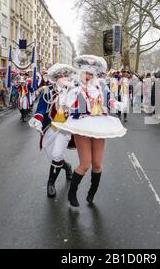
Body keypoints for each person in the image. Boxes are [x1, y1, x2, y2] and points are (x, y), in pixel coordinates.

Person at [52, 55, 127, 207]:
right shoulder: (74, 88)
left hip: (99, 124)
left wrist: (118, 104)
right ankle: (72, 193)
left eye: (91, 74)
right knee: (85, 164)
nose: (88, 76)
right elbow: (67, 106)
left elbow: (108, 100)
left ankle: (92, 192)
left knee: (98, 164)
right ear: (80, 73)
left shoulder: (100, 87)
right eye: (85, 73)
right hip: (82, 125)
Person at [29, 63, 76, 198]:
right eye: (59, 76)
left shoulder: (74, 91)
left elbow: (80, 109)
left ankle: (51, 183)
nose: (62, 78)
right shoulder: (48, 91)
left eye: (65, 75)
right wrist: (37, 119)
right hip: (51, 127)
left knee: (56, 155)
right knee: (51, 155)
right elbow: (41, 108)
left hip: (65, 129)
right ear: (55, 78)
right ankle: (66, 166)